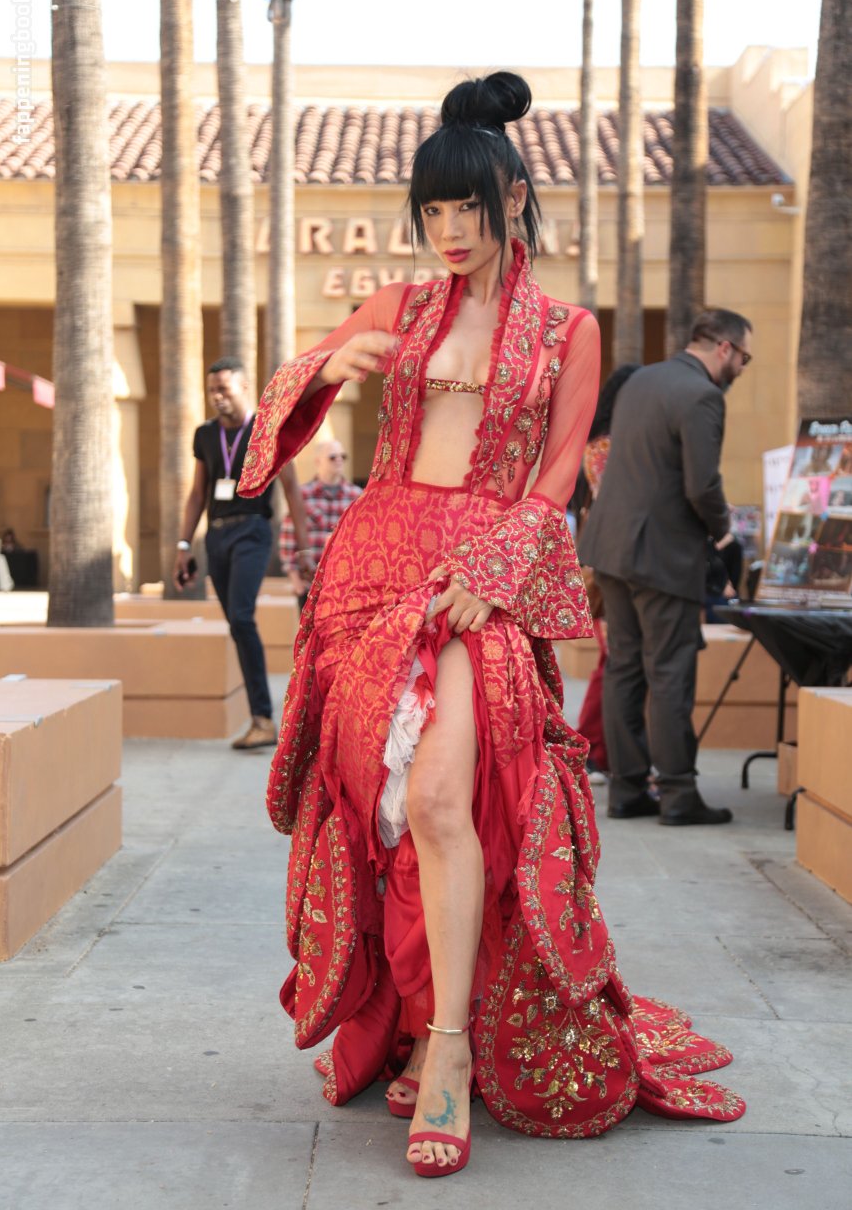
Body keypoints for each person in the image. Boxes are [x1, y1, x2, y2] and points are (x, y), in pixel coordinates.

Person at [239, 73, 744, 1178]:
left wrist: (496, 568)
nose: (449, 230)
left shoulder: (567, 330)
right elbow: (282, 399)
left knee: (440, 795)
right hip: (374, 564)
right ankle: (413, 1017)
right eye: (432, 211)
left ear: (512, 198)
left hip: (478, 573)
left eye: (466, 207)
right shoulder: (399, 306)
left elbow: (557, 474)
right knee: (379, 809)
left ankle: (454, 1048)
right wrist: (325, 366)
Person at [580, 309, 753, 826]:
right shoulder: (703, 396)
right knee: (670, 672)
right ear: (724, 348)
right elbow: (703, 485)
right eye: (744, 357)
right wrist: (724, 533)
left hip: (611, 549)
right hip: (662, 555)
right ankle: (678, 795)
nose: (742, 368)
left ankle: (628, 790)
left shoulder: (642, 380)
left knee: (624, 669)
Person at [173, 357, 311, 750]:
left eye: (224, 389)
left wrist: (303, 547)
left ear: (245, 387)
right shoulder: (205, 435)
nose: (217, 396)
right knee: (237, 624)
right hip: (216, 535)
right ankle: (260, 718)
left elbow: (292, 489)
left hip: (253, 530)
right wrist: (184, 545)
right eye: (212, 390)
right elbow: (197, 493)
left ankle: (263, 718)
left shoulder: (267, 430)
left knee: (241, 616)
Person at [573, 364, 641, 782]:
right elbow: (615, 502)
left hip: (609, 561)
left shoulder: (609, 443)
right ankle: (592, 749)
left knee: (613, 660)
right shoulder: (605, 447)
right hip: (609, 564)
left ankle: (600, 750)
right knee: (612, 661)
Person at [279, 439, 362, 610]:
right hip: (309, 583)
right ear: (318, 461)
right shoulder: (302, 495)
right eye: (332, 457)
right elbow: (288, 536)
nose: (339, 460)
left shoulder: (357, 496)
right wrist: (295, 580)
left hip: (344, 584)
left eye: (342, 456)